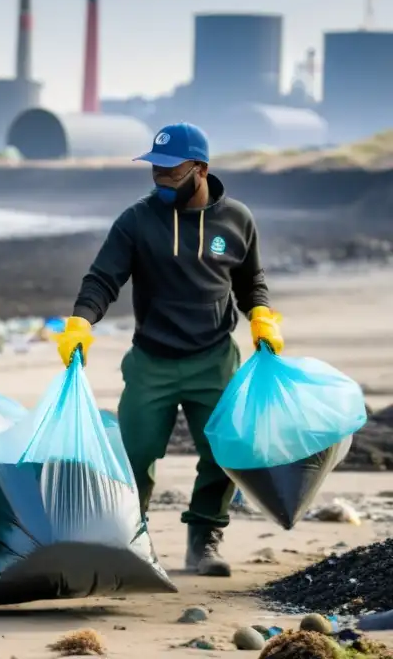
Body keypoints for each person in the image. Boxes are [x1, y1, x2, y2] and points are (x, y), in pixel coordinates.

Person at [55, 123, 284, 577]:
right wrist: (81, 320)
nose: (160, 177)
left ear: (200, 169)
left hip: (214, 358)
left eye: (171, 169)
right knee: (134, 455)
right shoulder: (136, 221)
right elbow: (103, 278)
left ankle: (204, 539)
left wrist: (261, 315)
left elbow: (250, 282)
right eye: (155, 168)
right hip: (151, 360)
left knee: (225, 454)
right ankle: (130, 539)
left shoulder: (237, 220)